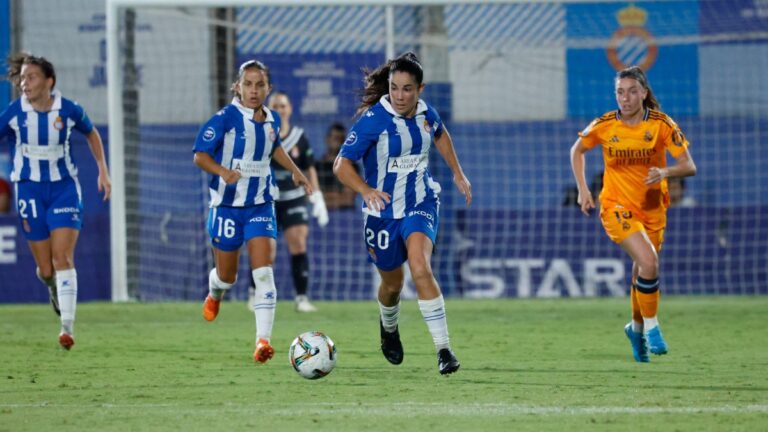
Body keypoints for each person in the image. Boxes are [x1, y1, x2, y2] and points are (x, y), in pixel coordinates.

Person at [333, 52, 472, 375]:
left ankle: (444, 350)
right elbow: (341, 165)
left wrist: (457, 173)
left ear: (420, 89)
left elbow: (439, 133)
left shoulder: (427, 112)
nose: (399, 96)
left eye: (407, 89)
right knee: (392, 285)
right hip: (382, 213)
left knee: (420, 266)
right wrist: (365, 191)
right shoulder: (373, 120)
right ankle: (389, 326)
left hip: (420, 203)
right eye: (394, 88)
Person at [570, 65, 697, 363]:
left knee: (644, 268)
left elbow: (689, 166)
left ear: (643, 93)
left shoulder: (662, 125)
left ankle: (636, 327)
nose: (624, 98)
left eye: (631, 92)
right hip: (615, 206)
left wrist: (665, 170)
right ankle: (652, 328)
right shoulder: (604, 125)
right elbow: (576, 150)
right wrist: (583, 190)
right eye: (619, 92)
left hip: (653, 209)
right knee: (649, 261)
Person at [193, 60, 312, 364]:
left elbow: (275, 149)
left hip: (260, 204)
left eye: (260, 85)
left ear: (268, 88)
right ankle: (215, 291)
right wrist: (222, 171)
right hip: (227, 208)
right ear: (238, 87)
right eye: (248, 84)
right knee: (227, 277)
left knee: (264, 273)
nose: (254, 90)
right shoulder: (224, 119)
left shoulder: (271, 119)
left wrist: (297, 171)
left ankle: (262, 342)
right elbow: (199, 156)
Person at [0, 53, 112, 350]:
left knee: (63, 258)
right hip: (29, 192)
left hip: (64, 190)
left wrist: (103, 170)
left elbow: (92, 133)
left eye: (31, 77)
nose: (25, 83)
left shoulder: (69, 109)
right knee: (46, 270)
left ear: (49, 82)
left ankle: (67, 328)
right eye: (22, 78)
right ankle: (53, 290)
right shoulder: (13, 114)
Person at [245, 91, 326, 313]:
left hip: (294, 197)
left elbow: (309, 166)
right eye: (275, 106)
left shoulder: (299, 136)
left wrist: (317, 196)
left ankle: (301, 298)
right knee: (265, 250)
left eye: (283, 105)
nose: (280, 109)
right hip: (266, 199)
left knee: (299, 243)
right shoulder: (260, 134)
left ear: (290, 109)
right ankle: (254, 294)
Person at [316, 123, 358, 209]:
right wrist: (337, 195)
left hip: (346, 215)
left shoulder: (351, 166)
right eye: (334, 137)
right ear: (327, 139)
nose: (337, 141)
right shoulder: (316, 166)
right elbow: (311, 197)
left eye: (340, 139)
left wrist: (324, 196)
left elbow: (348, 200)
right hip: (320, 215)